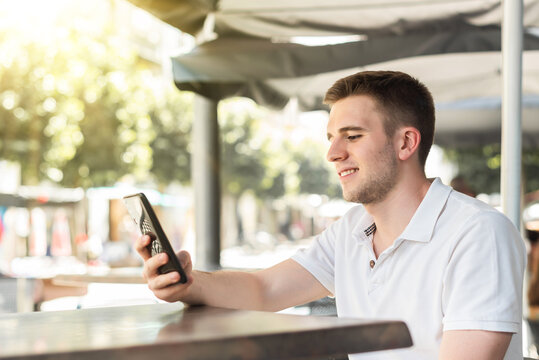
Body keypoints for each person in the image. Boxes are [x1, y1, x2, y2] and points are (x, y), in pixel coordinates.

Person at [135, 71, 526, 359]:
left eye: (352, 136)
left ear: (406, 142)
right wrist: (187, 283)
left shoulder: (477, 232)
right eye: (331, 138)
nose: (333, 153)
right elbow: (265, 290)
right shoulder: (352, 231)